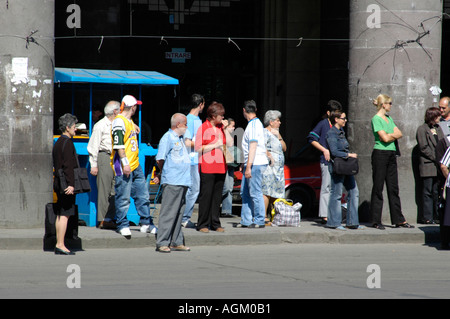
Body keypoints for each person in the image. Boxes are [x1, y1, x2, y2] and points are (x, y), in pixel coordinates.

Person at [111, 95, 157, 239]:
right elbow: (118, 145)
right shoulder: (119, 122)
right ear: (133, 107)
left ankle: (146, 222)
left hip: (135, 165)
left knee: (142, 195)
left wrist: (133, 125)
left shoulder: (127, 120)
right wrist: (125, 164)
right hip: (124, 165)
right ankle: (122, 224)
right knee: (123, 197)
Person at [369, 94, 414, 229]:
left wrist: (390, 136)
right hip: (380, 154)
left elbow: (399, 133)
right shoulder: (376, 119)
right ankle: (376, 220)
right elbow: (384, 138)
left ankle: (398, 219)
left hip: (391, 154)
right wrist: (391, 136)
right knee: (378, 187)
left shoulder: (389, 118)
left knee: (393, 188)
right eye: (390, 103)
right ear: (384, 104)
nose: (391, 106)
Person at [154, 113, 191, 253]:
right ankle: (162, 242)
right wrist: (165, 172)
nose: (187, 127)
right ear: (178, 124)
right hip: (173, 180)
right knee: (169, 212)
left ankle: (177, 241)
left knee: (179, 213)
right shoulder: (167, 137)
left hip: (183, 180)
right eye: (185, 124)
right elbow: (160, 159)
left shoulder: (180, 138)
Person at [325, 110, 363, 230]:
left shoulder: (341, 132)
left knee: (354, 191)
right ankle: (334, 223)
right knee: (336, 193)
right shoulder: (331, 133)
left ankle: (352, 222)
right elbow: (334, 152)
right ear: (336, 119)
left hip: (346, 167)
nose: (345, 120)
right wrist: (349, 155)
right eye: (343, 118)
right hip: (338, 167)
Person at [234, 100, 269, 228]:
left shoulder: (254, 125)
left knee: (254, 192)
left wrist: (248, 166)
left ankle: (259, 220)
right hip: (253, 162)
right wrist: (245, 164)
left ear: (244, 110)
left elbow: (253, 146)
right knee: (246, 192)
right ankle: (246, 220)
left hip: (255, 163)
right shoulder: (253, 124)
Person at [307, 100, 343, 224]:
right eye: (335, 113)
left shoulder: (339, 126)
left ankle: (334, 213)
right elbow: (311, 138)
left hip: (337, 160)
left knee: (336, 187)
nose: (337, 117)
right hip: (326, 160)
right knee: (326, 187)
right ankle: (324, 215)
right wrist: (324, 150)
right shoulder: (323, 124)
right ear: (328, 113)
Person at [194, 102, 227, 233]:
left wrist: (226, 130)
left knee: (217, 196)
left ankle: (215, 222)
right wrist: (214, 145)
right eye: (221, 115)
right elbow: (197, 148)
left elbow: (228, 143)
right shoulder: (203, 127)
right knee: (206, 195)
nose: (223, 118)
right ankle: (202, 223)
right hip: (207, 166)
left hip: (221, 166)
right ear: (213, 116)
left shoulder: (221, 128)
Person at [87, 101, 120, 229]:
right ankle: (102, 219)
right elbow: (93, 146)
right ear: (115, 111)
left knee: (115, 189)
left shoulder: (118, 124)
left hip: (115, 157)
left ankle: (109, 217)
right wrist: (94, 164)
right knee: (104, 190)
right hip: (104, 156)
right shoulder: (100, 125)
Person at [52, 113, 79, 255]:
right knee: (65, 214)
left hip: (58, 182)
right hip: (66, 184)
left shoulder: (58, 142)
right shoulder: (67, 143)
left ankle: (59, 242)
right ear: (67, 127)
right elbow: (68, 166)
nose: (76, 130)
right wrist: (71, 184)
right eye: (74, 127)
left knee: (60, 213)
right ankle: (60, 244)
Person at [416, 107, 443, 224]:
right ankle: (427, 217)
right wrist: (435, 157)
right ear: (432, 116)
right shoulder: (422, 129)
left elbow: (442, 143)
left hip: (437, 165)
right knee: (427, 191)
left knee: (436, 191)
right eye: (437, 116)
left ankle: (437, 216)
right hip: (428, 164)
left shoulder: (439, 128)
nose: (439, 118)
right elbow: (423, 147)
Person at [182, 94, 205, 228]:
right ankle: (184, 218)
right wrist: (202, 144)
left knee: (193, 189)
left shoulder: (196, 119)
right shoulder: (189, 120)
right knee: (194, 189)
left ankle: (184, 217)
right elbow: (187, 142)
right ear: (200, 104)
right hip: (191, 160)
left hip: (196, 159)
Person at [262, 110, 286, 224]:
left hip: (278, 169)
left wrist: (279, 136)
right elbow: (262, 146)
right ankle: (263, 216)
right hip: (269, 167)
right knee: (267, 190)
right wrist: (269, 156)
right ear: (271, 122)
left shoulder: (277, 133)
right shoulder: (264, 132)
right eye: (277, 120)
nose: (280, 122)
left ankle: (275, 215)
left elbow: (284, 148)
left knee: (276, 191)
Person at [221, 118, 240, 217]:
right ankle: (215, 202)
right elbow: (229, 144)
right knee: (226, 187)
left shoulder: (229, 135)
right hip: (223, 164)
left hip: (230, 164)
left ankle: (226, 210)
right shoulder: (223, 133)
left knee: (230, 187)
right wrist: (225, 130)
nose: (234, 128)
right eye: (232, 126)